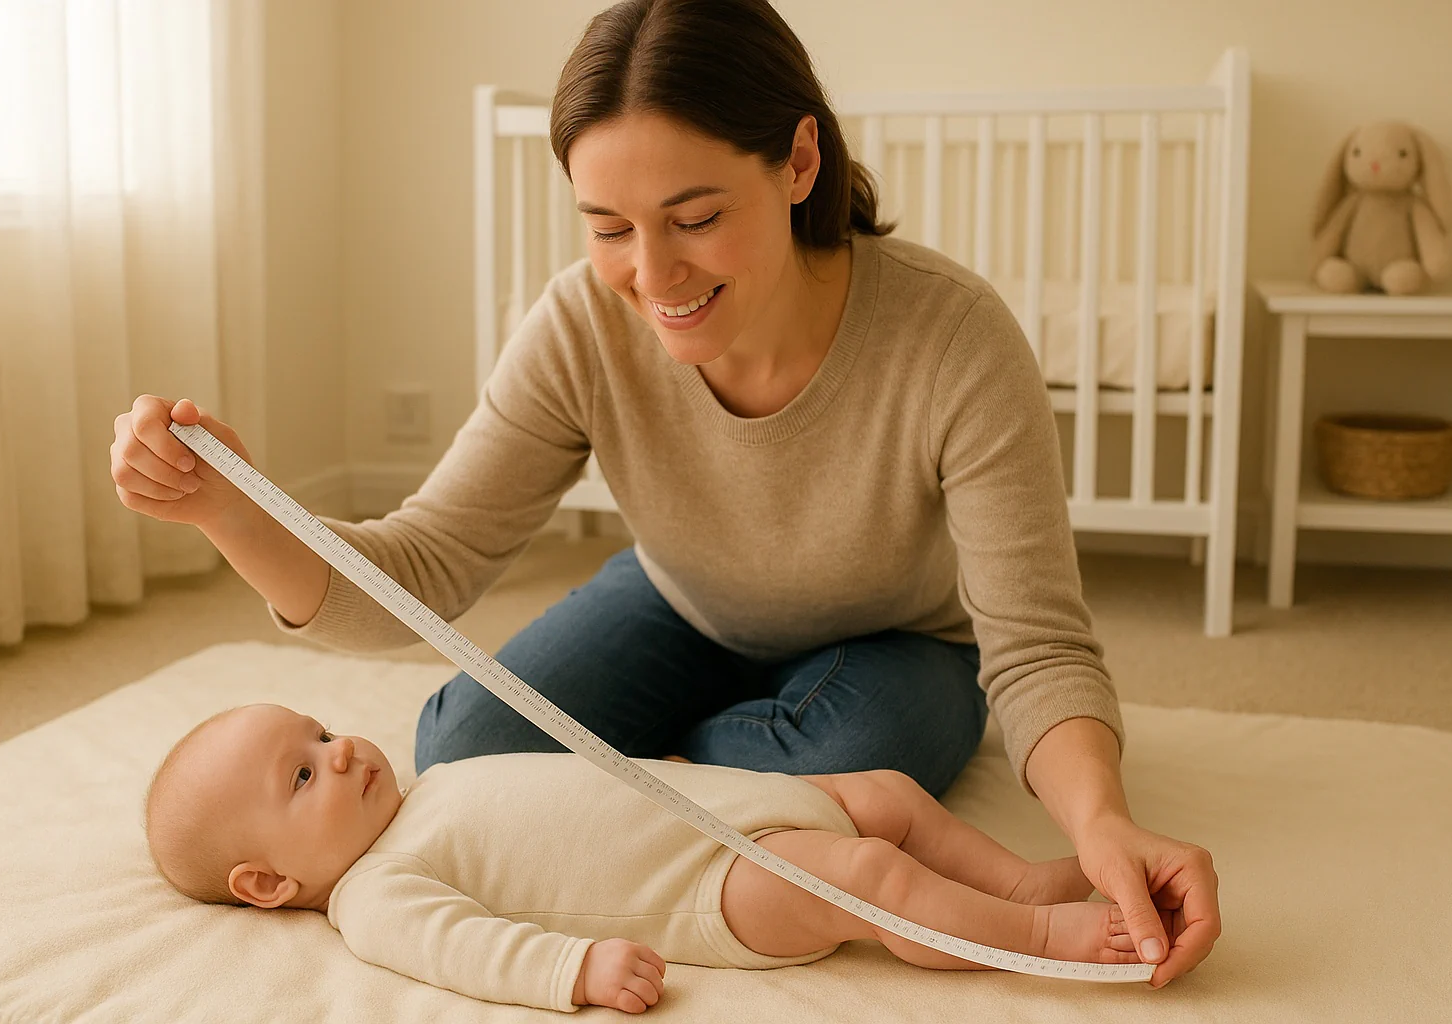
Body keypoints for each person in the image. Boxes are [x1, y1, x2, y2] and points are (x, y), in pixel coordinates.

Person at [111, 0, 1218, 988]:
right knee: (461, 757)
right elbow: (422, 571)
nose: (653, 274)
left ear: (796, 161)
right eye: (608, 229)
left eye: (694, 217)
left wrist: (1102, 820)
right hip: (680, 601)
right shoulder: (580, 328)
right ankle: (662, 774)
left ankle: (637, 781)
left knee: (854, 770)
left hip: (898, 645)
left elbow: (1034, 644)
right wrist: (228, 511)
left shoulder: (955, 338)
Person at [145, 703, 1145, 1013]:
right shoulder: (373, 892)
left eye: (321, 736)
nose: (344, 753)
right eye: (305, 778)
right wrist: (569, 970)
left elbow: (565, 793)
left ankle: (1016, 877)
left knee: (884, 793)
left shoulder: (435, 785)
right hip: (709, 887)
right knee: (869, 879)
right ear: (270, 882)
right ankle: (1036, 931)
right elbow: (460, 946)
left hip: (720, 803)